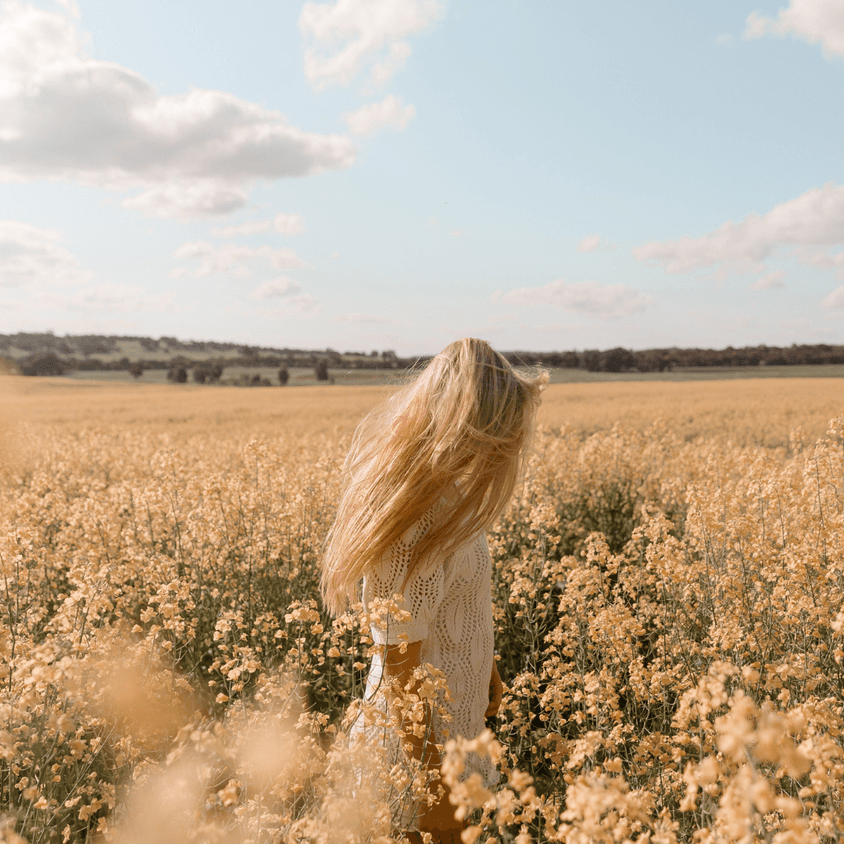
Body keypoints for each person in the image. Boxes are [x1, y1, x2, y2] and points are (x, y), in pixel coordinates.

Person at [321, 338, 546, 843]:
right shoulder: (416, 518)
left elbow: (451, 604)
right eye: (504, 434)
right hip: (415, 762)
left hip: (452, 738)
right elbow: (400, 672)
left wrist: (485, 666)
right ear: (474, 426)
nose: (508, 449)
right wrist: (433, 792)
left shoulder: (446, 496)